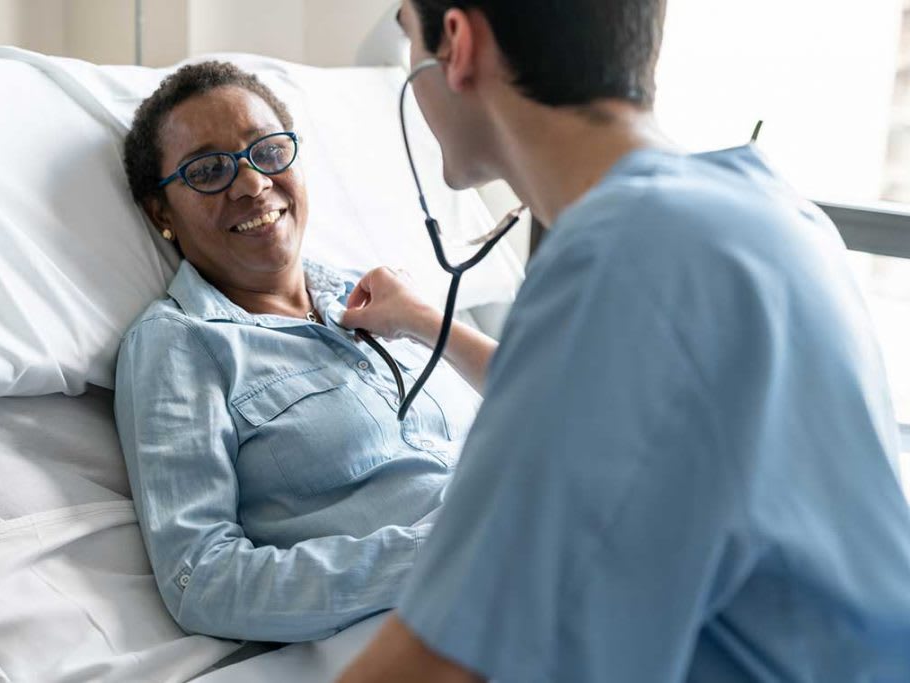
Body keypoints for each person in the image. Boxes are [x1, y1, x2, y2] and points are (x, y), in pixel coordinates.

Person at [339, 1, 910, 681]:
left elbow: (439, 662)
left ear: (456, 44)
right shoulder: (765, 212)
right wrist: (425, 320)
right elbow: (605, 416)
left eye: (410, 38)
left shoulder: (628, 255)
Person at [113, 61, 487, 643]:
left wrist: (423, 320)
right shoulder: (181, 342)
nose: (252, 184)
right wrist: (449, 551)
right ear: (162, 212)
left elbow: (542, 406)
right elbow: (203, 579)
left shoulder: (378, 297)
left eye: (266, 152)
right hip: (460, 611)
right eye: (209, 170)